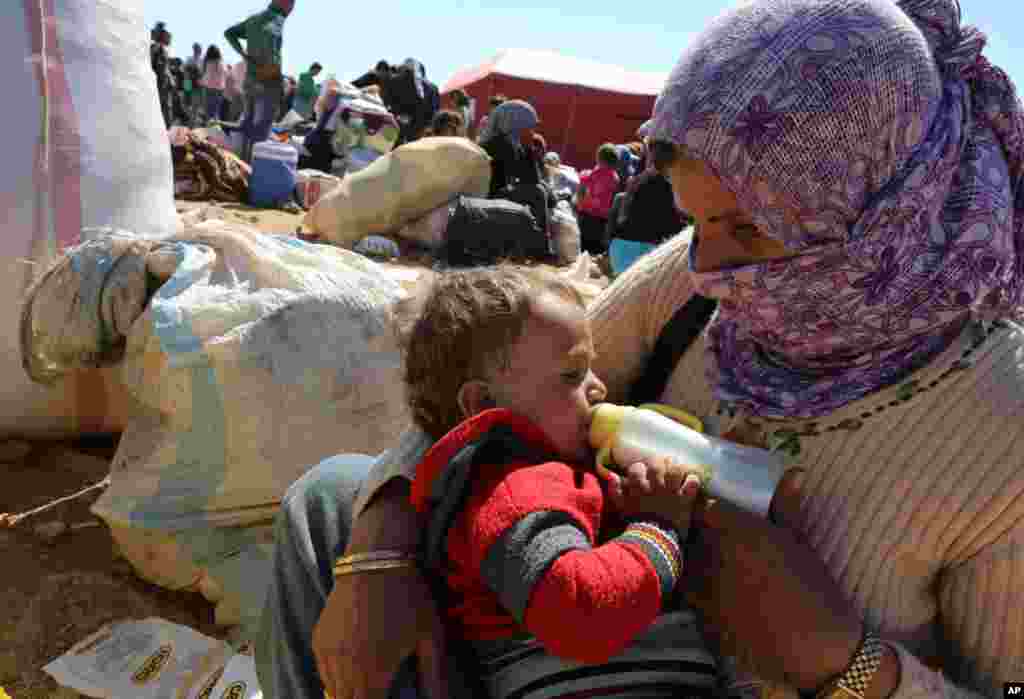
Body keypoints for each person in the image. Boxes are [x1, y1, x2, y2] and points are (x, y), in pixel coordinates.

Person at [258, 0, 1024, 698]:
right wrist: (383, 547)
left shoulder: (1001, 426)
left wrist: (843, 660)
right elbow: (499, 377)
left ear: (882, 205)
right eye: (699, 221)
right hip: (553, 645)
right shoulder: (694, 281)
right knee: (334, 498)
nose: (709, 266)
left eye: (749, 230)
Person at [398, 265, 715, 698]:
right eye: (572, 375)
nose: (599, 388)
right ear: (484, 402)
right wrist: (660, 528)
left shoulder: (542, 481)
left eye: (591, 368)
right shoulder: (514, 491)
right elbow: (581, 611)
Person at [224, 0, 294, 161]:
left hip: (250, 83)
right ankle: (253, 173)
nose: (292, 9)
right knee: (261, 133)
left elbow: (229, 33)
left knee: (247, 127)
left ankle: (242, 167)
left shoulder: (254, 19)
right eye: (292, 3)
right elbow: (272, 54)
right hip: (267, 84)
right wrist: (278, 83)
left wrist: (243, 55)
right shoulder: (275, 21)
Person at [576, 143, 621, 255]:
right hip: (602, 222)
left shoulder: (589, 175)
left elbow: (580, 192)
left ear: (598, 157)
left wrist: (579, 206)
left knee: (582, 250)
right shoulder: (615, 178)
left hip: (586, 217)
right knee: (595, 252)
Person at [150, 23, 173, 128]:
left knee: (165, 106)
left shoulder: (159, 48)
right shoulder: (156, 47)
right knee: (163, 106)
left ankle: (167, 128)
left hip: (163, 81)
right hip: (160, 81)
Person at [200, 45, 227, 125]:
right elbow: (224, 73)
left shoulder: (206, 61)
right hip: (219, 88)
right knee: (216, 110)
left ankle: (208, 129)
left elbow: (203, 73)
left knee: (208, 110)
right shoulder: (220, 62)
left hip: (208, 86)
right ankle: (214, 130)